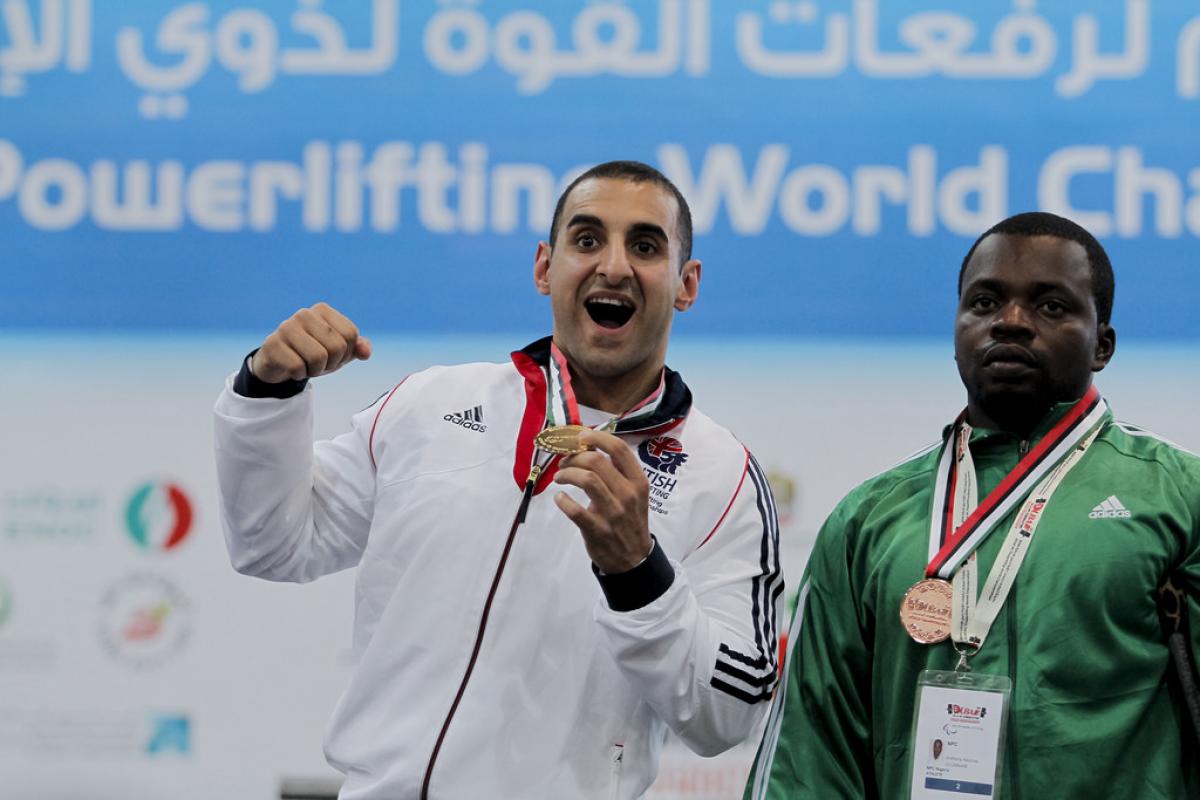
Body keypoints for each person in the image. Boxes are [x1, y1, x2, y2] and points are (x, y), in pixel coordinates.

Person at [213, 160, 783, 799]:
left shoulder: (723, 475)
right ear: (545, 267)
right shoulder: (428, 406)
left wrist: (638, 573)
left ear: (687, 283)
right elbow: (274, 543)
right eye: (587, 239)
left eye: (645, 246)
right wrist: (266, 389)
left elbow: (728, 714)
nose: (614, 266)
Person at [746, 211, 1200, 799]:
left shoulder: (1178, 496)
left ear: (1102, 345)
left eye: (1051, 306)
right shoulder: (870, 519)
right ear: (957, 326)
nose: (1010, 322)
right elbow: (809, 756)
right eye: (984, 303)